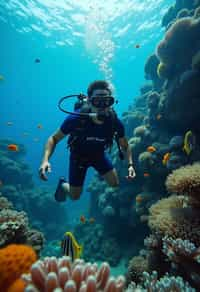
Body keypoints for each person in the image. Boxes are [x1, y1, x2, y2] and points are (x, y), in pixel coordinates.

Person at [39, 80, 136, 202]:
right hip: (78, 157)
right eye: (97, 101)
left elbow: (125, 146)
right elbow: (53, 138)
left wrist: (131, 165)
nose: (102, 107)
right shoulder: (76, 119)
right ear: (89, 101)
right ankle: (63, 185)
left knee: (115, 183)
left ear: (111, 102)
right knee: (75, 196)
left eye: (106, 101)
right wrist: (45, 160)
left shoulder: (114, 122)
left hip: (98, 155)